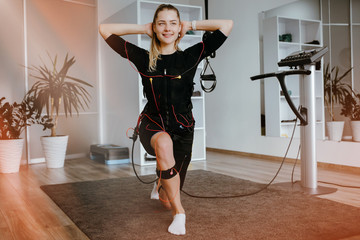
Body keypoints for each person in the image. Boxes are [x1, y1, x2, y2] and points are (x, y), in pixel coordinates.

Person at [99, 4, 233, 236]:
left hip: (183, 129)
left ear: (178, 27)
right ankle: (180, 213)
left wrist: (189, 25)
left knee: (164, 198)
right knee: (163, 145)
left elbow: (226, 25)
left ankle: (161, 184)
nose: (167, 28)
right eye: (161, 23)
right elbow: (105, 29)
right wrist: (143, 28)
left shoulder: (191, 56)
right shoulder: (143, 58)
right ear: (155, 27)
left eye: (173, 23)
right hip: (152, 125)